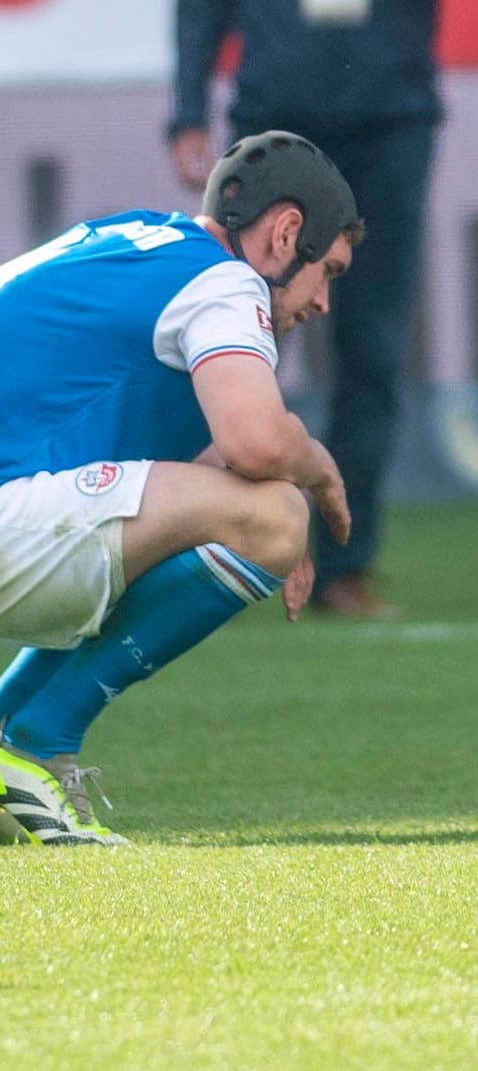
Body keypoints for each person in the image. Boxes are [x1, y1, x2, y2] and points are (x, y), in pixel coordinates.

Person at [0, 131, 359, 845]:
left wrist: (246, 509)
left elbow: (196, 465)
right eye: (328, 270)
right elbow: (257, 442)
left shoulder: (132, 240)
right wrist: (315, 469)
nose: (323, 300)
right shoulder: (226, 281)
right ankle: (35, 747)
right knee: (276, 513)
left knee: (239, 515)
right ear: (286, 232)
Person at [168, 0, 441, 617]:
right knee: (230, 338)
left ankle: (346, 564)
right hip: (274, 121)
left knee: (373, 348)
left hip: (390, 117)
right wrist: (188, 108)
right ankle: (191, 548)